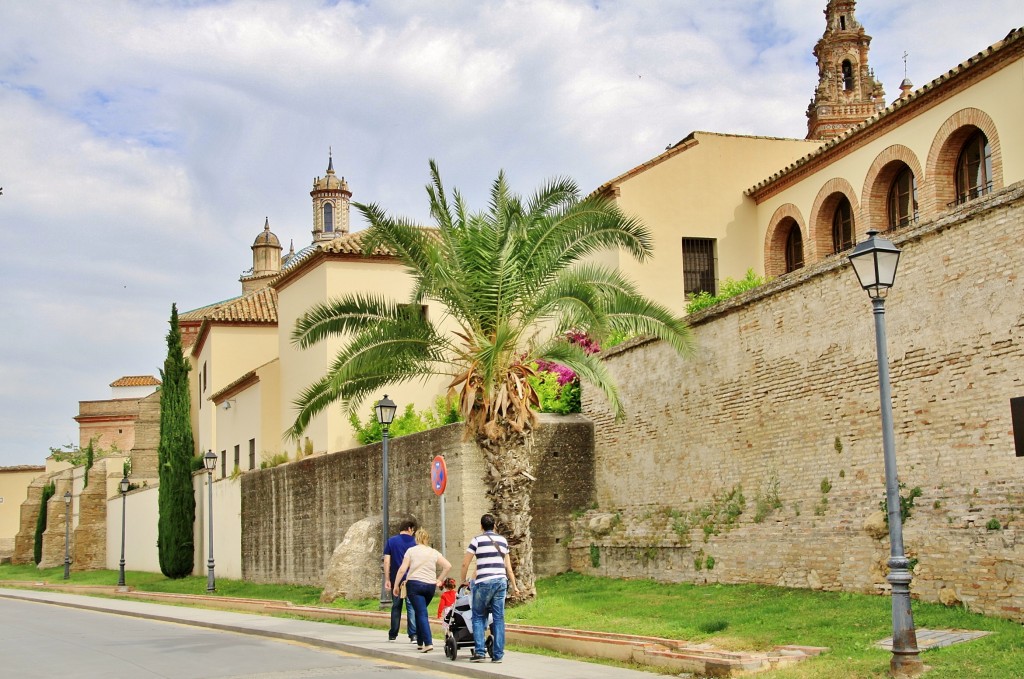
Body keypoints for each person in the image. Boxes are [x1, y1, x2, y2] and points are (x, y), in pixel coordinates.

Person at [460, 513, 519, 663]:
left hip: (483, 582)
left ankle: (480, 652)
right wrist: (514, 586)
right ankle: (498, 655)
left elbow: (465, 563)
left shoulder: (477, 540)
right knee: (498, 618)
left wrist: (463, 581)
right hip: (501, 582)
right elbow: (508, 567)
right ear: (494, 526)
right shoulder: (503, 541)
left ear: (481, 526)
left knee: (479, 616)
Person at [393, 528, 452, 653]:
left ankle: (428, 642)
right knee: (421, 612)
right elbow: (448, 566)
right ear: (427, 539)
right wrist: (439, 580)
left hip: (415, 585)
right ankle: (420, 642)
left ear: (416, 539)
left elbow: (403, 569)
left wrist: (396, 585)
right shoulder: (433, 552)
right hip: (430, 586)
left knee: (421, 613)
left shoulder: (411, 551)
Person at [383, 518, 417, 643]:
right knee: (411, 607)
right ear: (410, 529)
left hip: (395, 579)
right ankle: (413, 635)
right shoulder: (415, 542)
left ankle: (393, 634)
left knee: (396, 606)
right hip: (411, 579)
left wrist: (387, 579)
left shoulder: (391, 541)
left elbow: (386, 561)